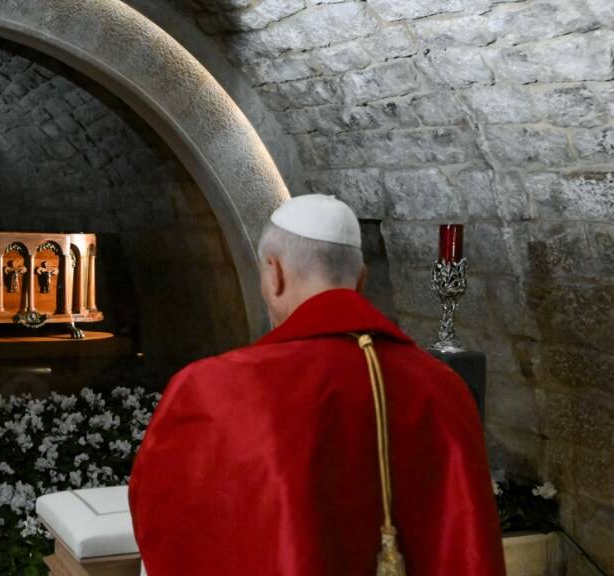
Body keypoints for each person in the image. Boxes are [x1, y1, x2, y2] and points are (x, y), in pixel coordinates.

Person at [128, 194, 505, 575]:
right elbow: (468, 543)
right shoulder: (444, 387)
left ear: (273, 274)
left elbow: (168, 520)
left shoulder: (212, 388)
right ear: (360, 280)